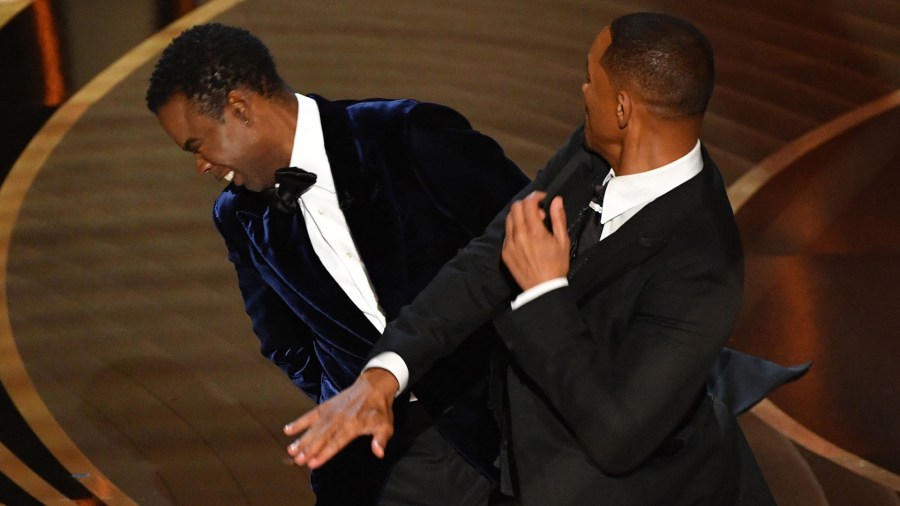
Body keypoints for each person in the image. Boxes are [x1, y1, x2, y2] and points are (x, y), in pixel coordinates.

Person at [285, 12, 797, 505]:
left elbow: (617, 435)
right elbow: (486, 260)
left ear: (623, 109)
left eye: (590, 78)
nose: (582, 90)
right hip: (528, 469)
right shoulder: (596, 150)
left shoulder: (705, 266)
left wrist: (544, 293)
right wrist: (384, 374)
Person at [145, 23, 530, 505]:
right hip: (382, 461)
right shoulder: (238, 216)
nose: (201, 165)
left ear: (240, 108)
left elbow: (535, 239)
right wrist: (349, 393)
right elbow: (284, 342)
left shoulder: (407, 135)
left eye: (196, 145)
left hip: (506, 423)